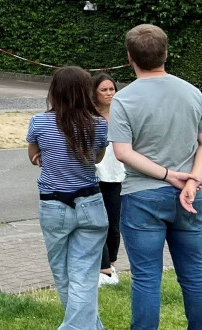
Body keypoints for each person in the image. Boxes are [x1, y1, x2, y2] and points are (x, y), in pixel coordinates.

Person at [110, 24, 202, 330]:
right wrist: (193, 180)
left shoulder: (123, 99)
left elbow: (123, 152)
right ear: (166, 54)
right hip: (189, 195)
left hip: (141, 196)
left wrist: (168, 175)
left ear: (130, 57)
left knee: (146, 277)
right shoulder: (192, 93)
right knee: (194, 272)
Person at [27, 66, 109, 330]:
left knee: (62, 273)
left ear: (54, 91)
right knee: (84, 274)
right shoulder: (98, 124)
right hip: (90, 203)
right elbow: (97, 159)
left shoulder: (39, 122)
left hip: (53, 204)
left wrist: (46, 157)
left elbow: (33, 156)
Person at [91, 73, 125, 286]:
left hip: (116, 175)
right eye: (104, 90)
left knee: (114, 225)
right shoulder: (89, 116)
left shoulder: (122, 114)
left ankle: (110, 264)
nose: (109, 93)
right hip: (93, 175)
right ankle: (103, 268)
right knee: (98, 223)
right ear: (94, 92)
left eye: (111, 89)